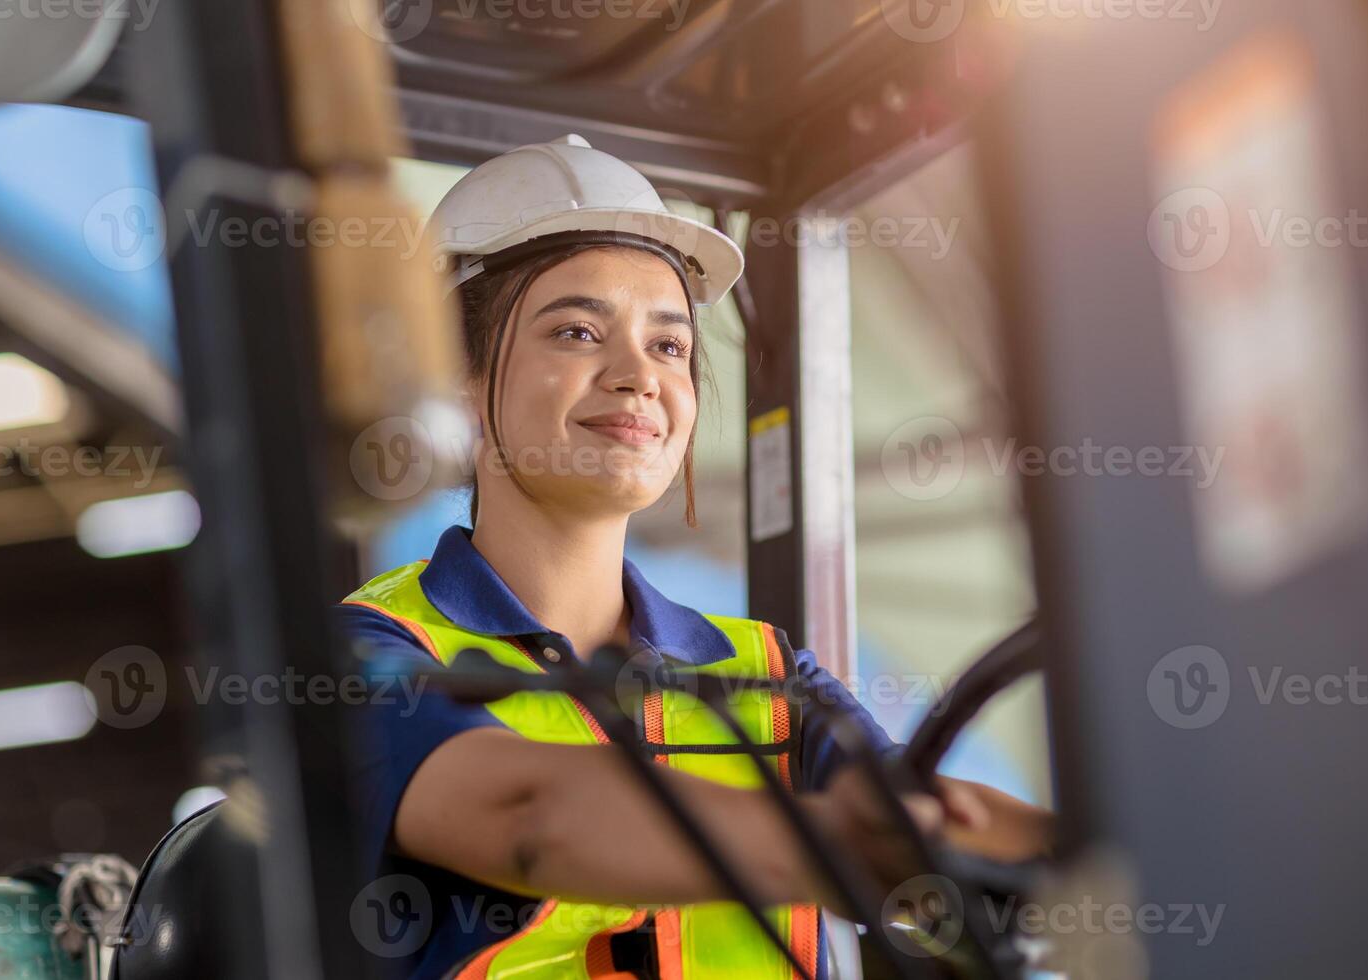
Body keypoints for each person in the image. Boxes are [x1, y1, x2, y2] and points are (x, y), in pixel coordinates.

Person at [336, 134, 1052, 979]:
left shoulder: (768, 674)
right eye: (575, 330)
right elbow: (528, 818)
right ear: (462, 381)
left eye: (670, 345)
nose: (639, 375)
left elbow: (928, 812)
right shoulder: (373, 654)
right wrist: (838, 843)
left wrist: (1108, 855)